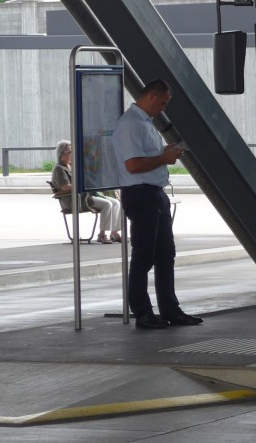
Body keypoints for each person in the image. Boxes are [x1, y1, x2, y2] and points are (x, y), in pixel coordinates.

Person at [113, 79, 202, 330]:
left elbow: (145, 157)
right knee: (144, 255)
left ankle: (170, 309)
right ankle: (142, 312)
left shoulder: (144, 124)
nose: (162, 108)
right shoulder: (131, 124)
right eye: (162, 102)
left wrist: (164, 152)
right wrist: (164, 158)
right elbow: (133, 165)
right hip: (141, 194)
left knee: (165, 254)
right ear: (151, 97)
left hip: (154, 193)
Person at [51, 140, 123, 243]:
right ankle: (102, 234)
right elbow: (65, 187)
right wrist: (82, 185)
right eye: (70, 152)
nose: (73, 154)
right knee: (107, 204)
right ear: (62, 154)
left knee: (116, 203)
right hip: (74, 199)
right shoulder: (59, 169)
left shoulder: (71, 166)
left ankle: (114, 232)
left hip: (84, 196)